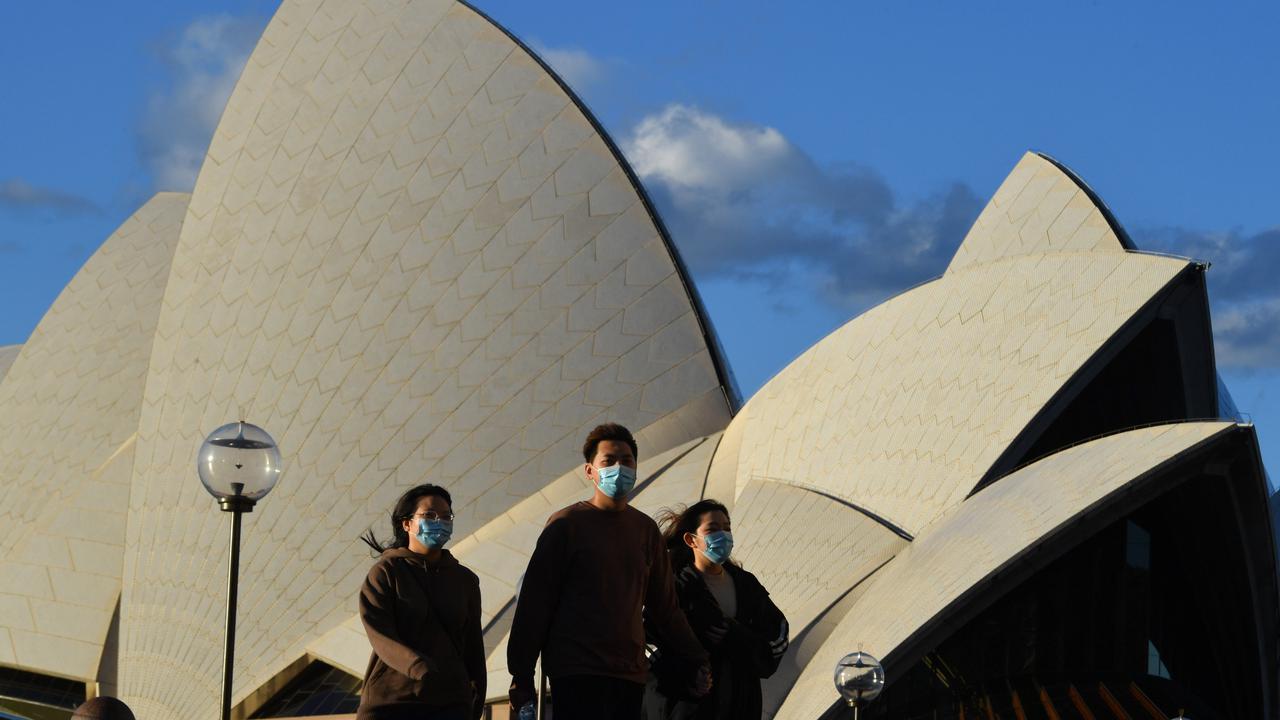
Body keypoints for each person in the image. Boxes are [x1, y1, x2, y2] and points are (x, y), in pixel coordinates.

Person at [507, 423, 711, 720]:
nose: (619, 467)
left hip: (628, 672)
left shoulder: (645, 531)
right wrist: (521, 673)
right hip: (576, 671)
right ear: (590, 470)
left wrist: (697, 657)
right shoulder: (566, 525)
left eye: (627, 460)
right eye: (609, 461)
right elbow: (535, 604)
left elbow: (665, 608)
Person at [644, 500, 790, 720]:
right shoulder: (672, 587)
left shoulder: (746, 584)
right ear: (691, 540)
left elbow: (777, 637)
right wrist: (686, 674)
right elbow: (643, 643)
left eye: (727, 528)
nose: (722, 535)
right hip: (684, 709)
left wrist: (738, 637)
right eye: (712, 529)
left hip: (740, 705)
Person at [357, 484, 485, 720]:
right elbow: (380, 633)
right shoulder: (386, 572)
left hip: (449, 704)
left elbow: (473, 645)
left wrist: (476, 699)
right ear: (407, 523)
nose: (440, 522)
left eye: (447, 516)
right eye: (429, 515)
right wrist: (418, 667)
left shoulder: (465, 580)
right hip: (391, 702)